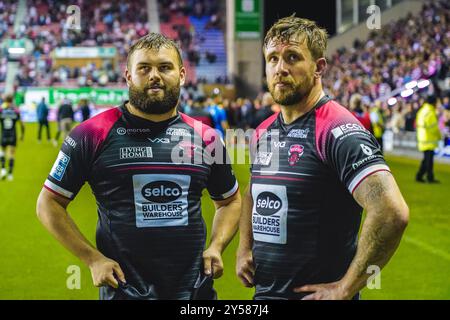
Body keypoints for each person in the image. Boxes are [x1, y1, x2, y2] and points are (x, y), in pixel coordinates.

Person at [36, 33, 241, 300]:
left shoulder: (208, 138)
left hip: (195, 296)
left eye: (164, 67)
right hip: (125, 294)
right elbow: (48, 203)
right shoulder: (91, 134)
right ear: (129, 76)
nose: (154, 75)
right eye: (144, 68)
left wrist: (216, 246)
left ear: (181, 75)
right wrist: (92, 259)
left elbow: (229, 201)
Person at [236, 16, 409, 300]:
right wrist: (244, 248)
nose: (280, 68)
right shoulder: (263, 131)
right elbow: (253, 191)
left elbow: (391, 212)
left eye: (292, 57)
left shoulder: (338, 130)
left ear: (319, 67)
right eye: (273, 59)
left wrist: (346, 287)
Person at [415, 95, 441, 183]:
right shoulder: (430, 112)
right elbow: (434, 128)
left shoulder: (422, 111)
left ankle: (420, 176)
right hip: (429, 139)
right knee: (429, 161)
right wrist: (439, 136)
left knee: (426, 159)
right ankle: (429, 178)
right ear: (433, 102)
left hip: (422, 138)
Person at [0, 94, 25, 181]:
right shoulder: (15, 110)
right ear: (12, 100)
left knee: (2, 151)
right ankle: (10, 174)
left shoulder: (1, 109)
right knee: (11, 154)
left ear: (5, 100)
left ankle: (3, 169)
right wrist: (22, 134)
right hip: (12, 135)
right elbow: (22, 124)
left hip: (4, 134)